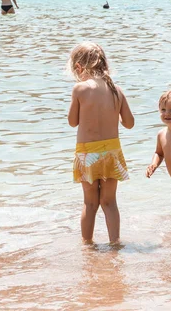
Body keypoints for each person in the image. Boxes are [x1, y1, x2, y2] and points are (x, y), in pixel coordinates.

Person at [67, 43, 135, 244]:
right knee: (109, 202)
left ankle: (87, 245)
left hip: (87, 153)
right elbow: (129, 124)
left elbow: (72, 122)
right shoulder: (116, 90)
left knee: (90, 203)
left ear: (79, 68)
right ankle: (115, 242)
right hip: (111, 153)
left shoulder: (79, 89)